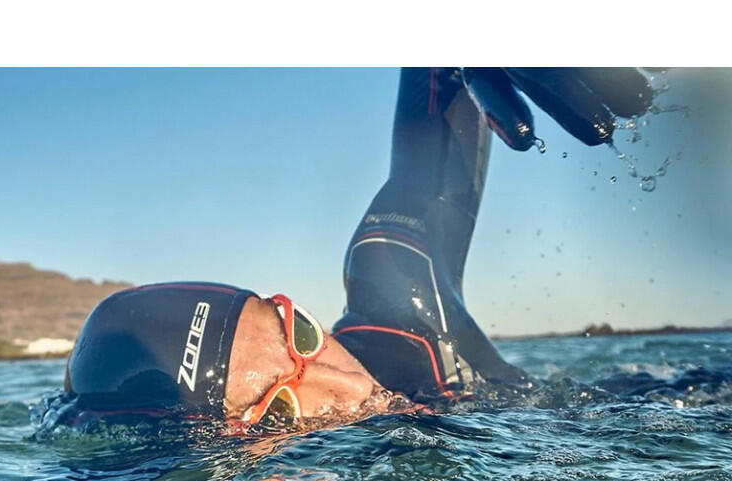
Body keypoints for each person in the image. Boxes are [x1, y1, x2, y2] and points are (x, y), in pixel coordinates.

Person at [64, 68, 653, 429]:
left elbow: (441, 82)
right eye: (278, 412)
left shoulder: (395, 288)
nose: (345, 386)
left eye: (300, 337)